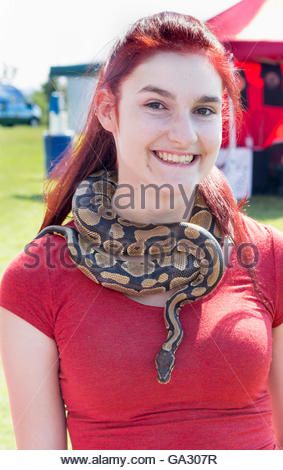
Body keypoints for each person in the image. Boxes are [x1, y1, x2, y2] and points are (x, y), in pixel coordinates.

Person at [0, 11, 283, 450]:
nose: (183, 134)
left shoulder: (270, 256)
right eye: (156, 105)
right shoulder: (37, 279)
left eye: (204, 109)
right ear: (108, 111)